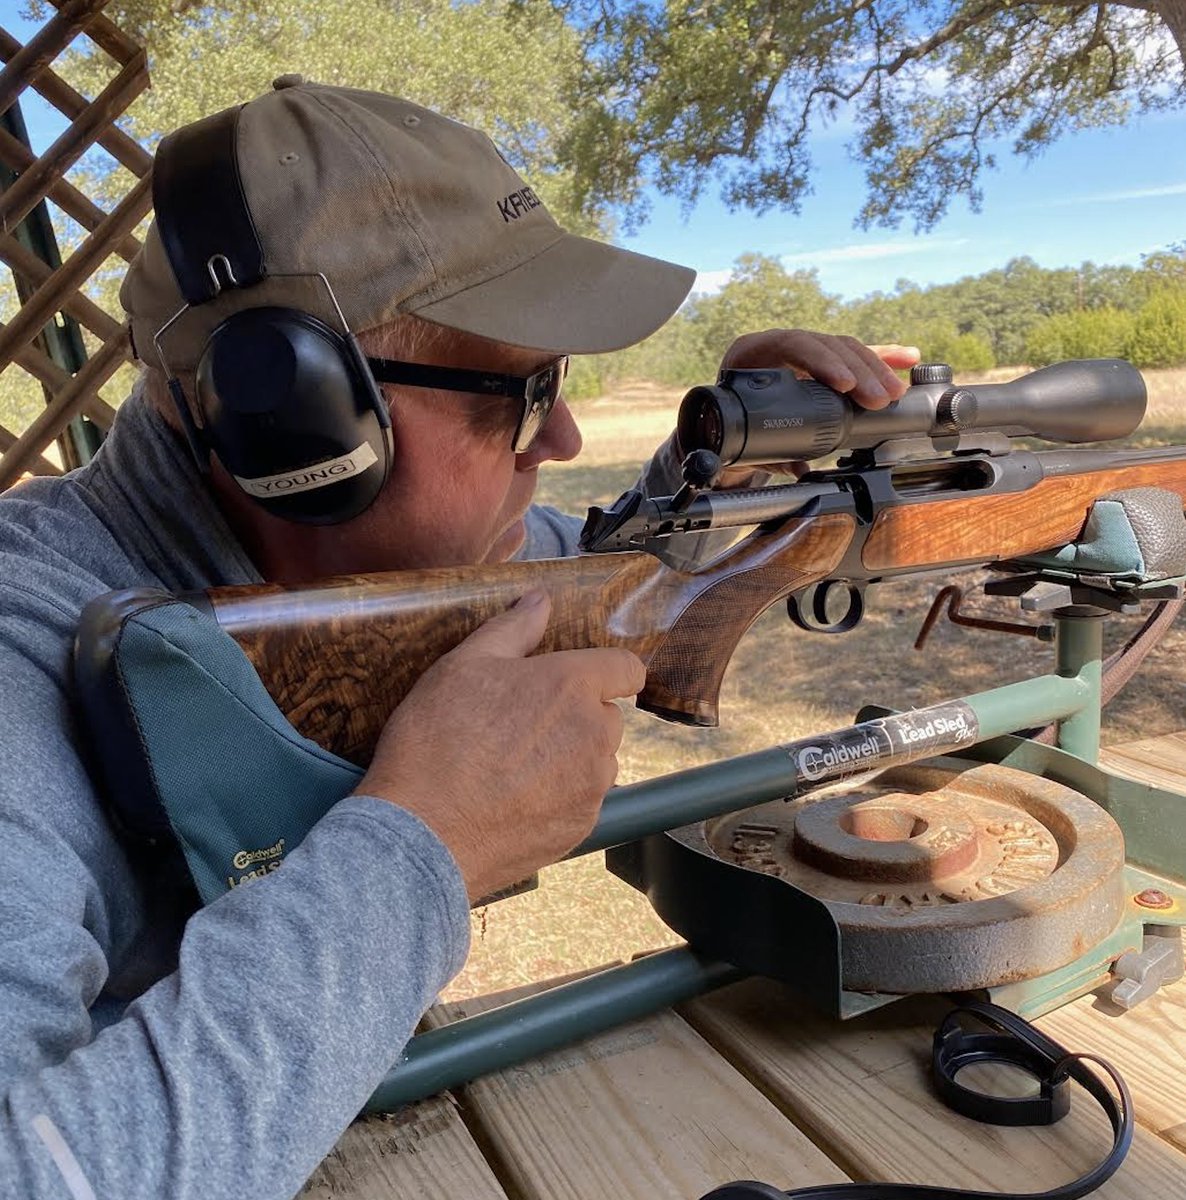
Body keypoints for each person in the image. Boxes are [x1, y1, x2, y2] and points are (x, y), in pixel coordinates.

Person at [0, 78, 917, 1198]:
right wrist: (418, 849)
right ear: (301, 425)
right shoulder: (17, 652)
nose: (566, 433)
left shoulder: (374, 560)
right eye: (522, 394)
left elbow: (593, 571)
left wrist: (710, 483)